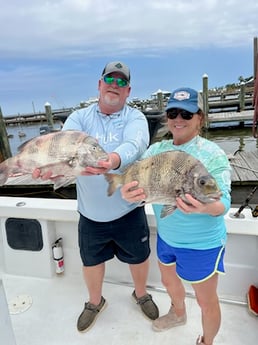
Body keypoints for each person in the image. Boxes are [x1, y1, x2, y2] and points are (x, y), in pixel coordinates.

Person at [34, 61, 159, 331]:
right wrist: (53, 170)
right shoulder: (79, 117)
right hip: (90, 213)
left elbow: (136, 143)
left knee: (138, 257)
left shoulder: (134, 117)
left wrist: (112, 159)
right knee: (91, 261)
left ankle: (141, 293)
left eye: (121, 82)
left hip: (129, 209)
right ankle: (94, 301)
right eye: (110, 80)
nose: (115, 85)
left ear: (128, 91)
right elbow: (65, 146)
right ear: (99, 85)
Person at [120, 87, 231, 345]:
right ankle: (178, 313)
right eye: (172, 113)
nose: (178, 119)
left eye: (187, 113)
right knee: (169, 283)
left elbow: (222, 202)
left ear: (200, 118)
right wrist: (129, 192)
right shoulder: (155, 150)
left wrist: (205, 207)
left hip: (201, 244)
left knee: (206, 301)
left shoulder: (212, 153)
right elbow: (139, 180)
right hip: (167, 238)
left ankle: (207, 342)